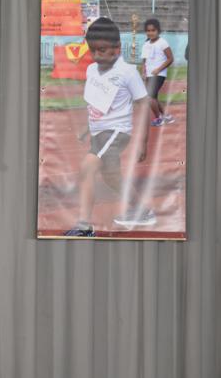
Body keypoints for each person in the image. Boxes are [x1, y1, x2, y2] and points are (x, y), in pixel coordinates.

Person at [65, 17, 154, 236]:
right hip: (99, 133)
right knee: (111, 177)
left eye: (102, 50)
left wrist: (143, 142)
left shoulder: (128, 72)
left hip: (116, 132)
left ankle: (84, 226)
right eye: (92, 50)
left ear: (117, 47)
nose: (97, 55)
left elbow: (144, 104)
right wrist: (87, 129)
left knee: (88, 167)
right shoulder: (91, 70)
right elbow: (98, 103)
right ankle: (142, 210)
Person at [140, 18, 175, 125]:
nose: (150, 33)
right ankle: (167, 117)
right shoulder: (146, 44)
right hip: (149, 75)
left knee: (149, 97)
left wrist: (158, 69)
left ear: (158, 31)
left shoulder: (163, 42)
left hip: (159, 74)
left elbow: (170, 59)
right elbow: (144, 60)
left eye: (153, 30)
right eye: (148, 31)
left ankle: (158, 118)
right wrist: (143, 72)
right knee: (153, 97)